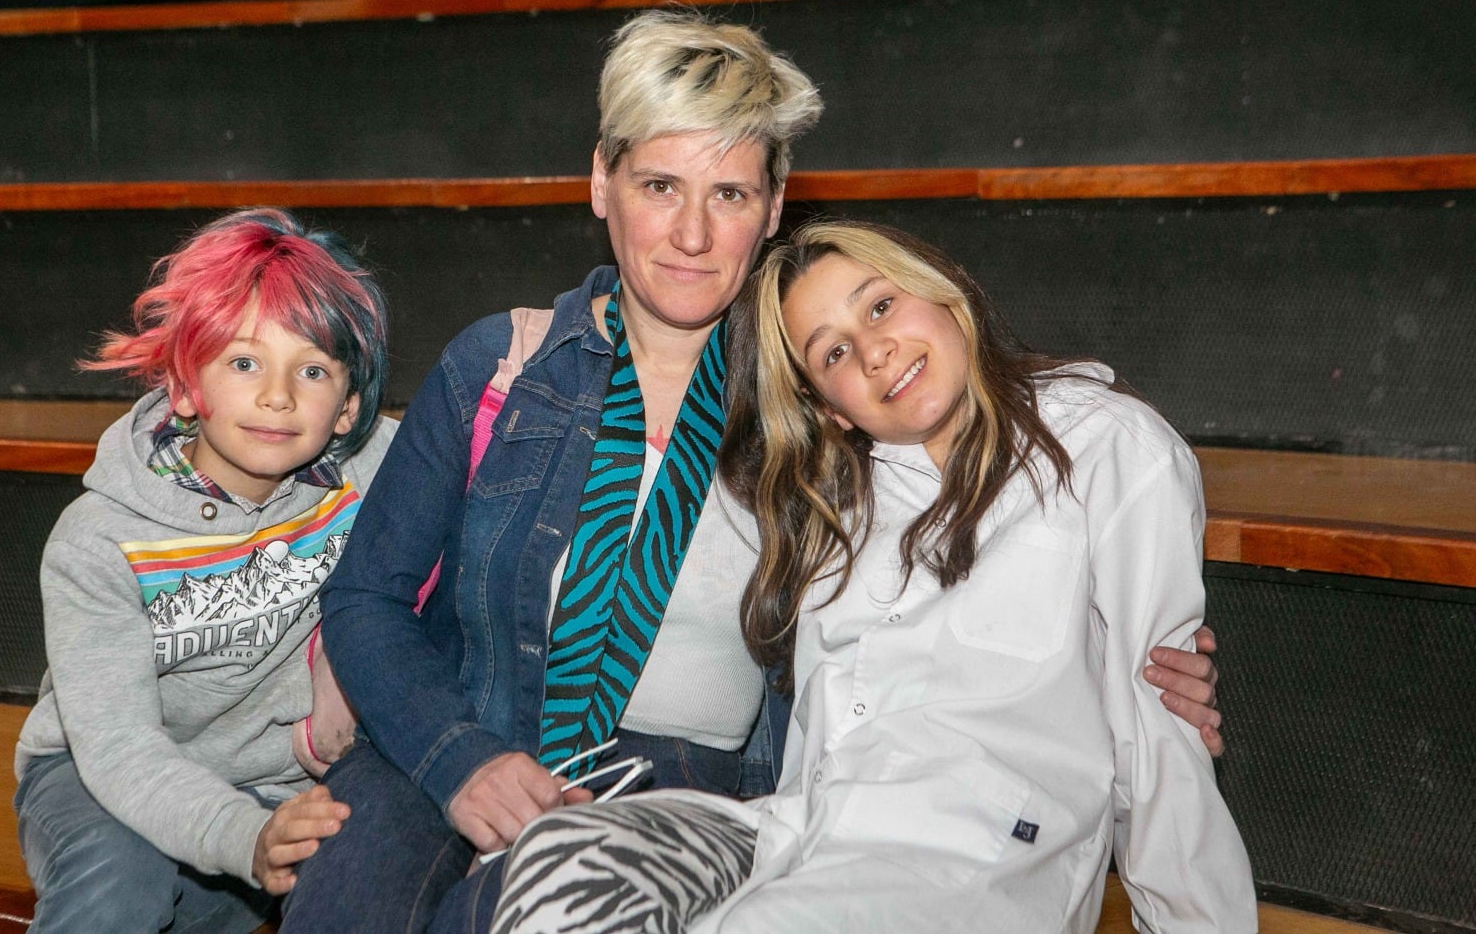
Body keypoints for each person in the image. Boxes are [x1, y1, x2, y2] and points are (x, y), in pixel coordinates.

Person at [280, 12, 1224, 934]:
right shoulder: (500, 367)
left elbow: (985, 557)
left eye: (729, 194)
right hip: (456, 733)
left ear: (773, 207)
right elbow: (366, 598)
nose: (692, 233)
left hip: (672, 784)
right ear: (601, 182)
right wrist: (460, 760)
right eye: (659, 184)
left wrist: (1135, 677)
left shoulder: (824, 405)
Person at [488, 221, 1256, 933]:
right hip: (805, 831)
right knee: (557, 861)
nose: (875, 352)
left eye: (882, 306)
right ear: (832, 411)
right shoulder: (837, 503)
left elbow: (1161, 736)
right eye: (833, 354)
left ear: (940, 289)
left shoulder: (1103, 445)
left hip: (979, 857)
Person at [13, 208, 396, 932]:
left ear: (347, 408)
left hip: (273, 786)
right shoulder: (98, 543)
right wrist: (240, 838)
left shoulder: (375, 472)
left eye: (311, 370)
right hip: (95, 777)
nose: (277, 396)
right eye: (244, 362)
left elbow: (483, 457)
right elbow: (120, 749)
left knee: (383, 867)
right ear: (187, 385)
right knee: (126, 879)